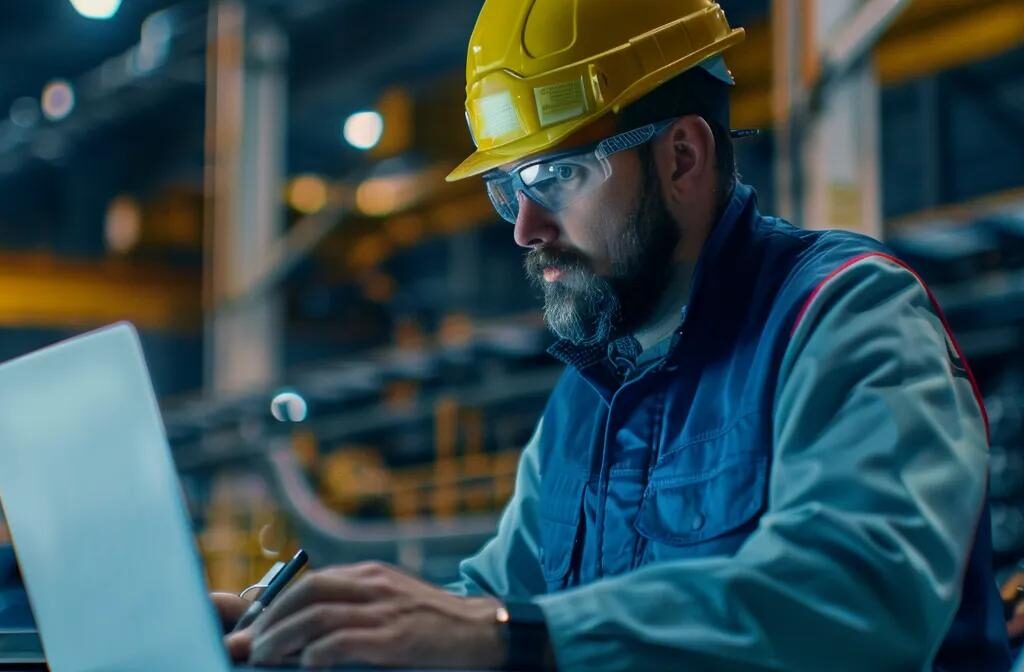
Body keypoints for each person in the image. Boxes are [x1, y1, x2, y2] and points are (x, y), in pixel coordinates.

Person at [215, 1, 1011, 669]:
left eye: (553, 176)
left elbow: (856, 591)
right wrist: (317, 632)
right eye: (505, 188)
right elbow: (487, 605)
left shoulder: (844, 315)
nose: (525, 228)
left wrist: (507, 638)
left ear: (683, 155)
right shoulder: (586, 400)